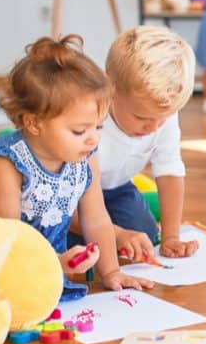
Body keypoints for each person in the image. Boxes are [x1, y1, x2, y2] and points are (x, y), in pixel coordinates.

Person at [0, 35, 154, 300]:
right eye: (80, 130)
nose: (94, 138)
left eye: (99, 126)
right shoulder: (6, 166)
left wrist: (111, 272)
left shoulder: (86, 158)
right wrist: (54, 262)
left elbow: (97, 218)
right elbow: (6, 238)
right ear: (34, 123)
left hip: (41, 262)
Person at [70, 26, 199, 259]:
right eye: (141, 118)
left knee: (146, 238)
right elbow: (58, 203)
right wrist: (115, 233)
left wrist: (171, 237)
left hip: (116, 187)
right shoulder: (86, 120)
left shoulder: (160, 115)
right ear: (109, 89)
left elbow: (170, 170)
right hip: (68, 195)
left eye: (162, 119)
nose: (153, 128)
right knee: (77, 244)